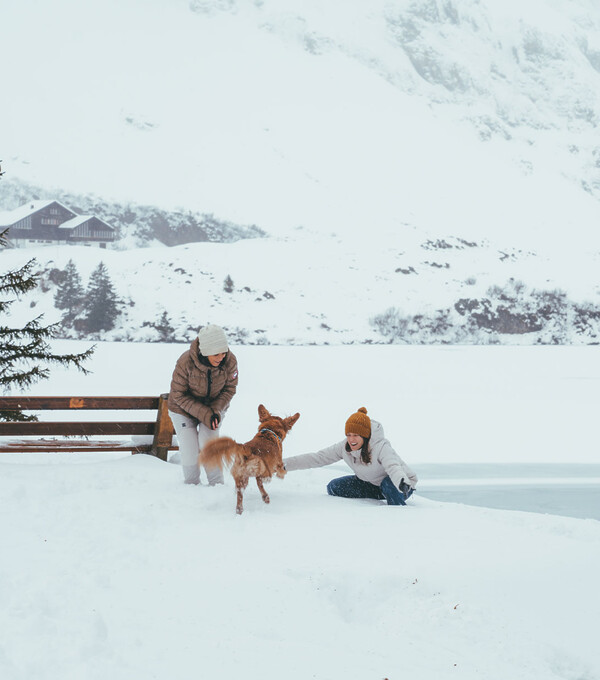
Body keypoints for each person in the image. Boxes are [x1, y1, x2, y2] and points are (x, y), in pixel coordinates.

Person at [283, 407, 418, 505]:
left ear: (364, 436)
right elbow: (318, 458)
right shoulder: (344, 447)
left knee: (387, 485)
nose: (351, 439)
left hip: (400, 484)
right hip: (372, 484)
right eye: (348, 435)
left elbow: (393, 466)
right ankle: (381, 496)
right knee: (334, 487)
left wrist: (402, 482)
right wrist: (282, 464)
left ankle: (399, 515)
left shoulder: (381, 446)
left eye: (355, 435)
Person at [168, 324, 239, 485]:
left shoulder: (230, 361)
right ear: (205, 351)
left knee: (209, 444)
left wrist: (214, 411)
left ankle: (217, 484)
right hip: (182, 408)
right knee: (190, 448)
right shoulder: (185, 361)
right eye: (216, 354)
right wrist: (205, 413)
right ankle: (191, 484)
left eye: (223, 352)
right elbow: (178, 394)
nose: (221, 357)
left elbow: (229, 389)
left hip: (214, 408)